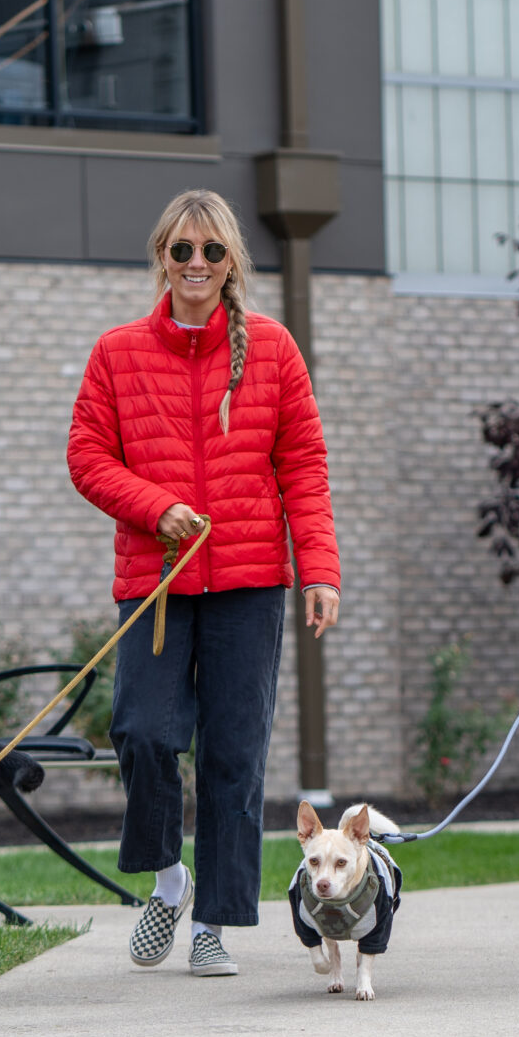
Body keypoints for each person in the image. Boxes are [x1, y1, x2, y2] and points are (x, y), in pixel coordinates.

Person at [67, 189, 341, 978]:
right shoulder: (118, 351)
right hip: (155, 583)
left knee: (233, 754)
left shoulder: (276, 351)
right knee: (144, 733)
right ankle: (168, 880)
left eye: (211, 252)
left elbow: (304, 467)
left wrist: (319, 568)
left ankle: (215, 924)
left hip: (251, 582)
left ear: (231, 264)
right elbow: (88, 458)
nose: (195, 264)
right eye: (181, 250)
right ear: (162, 257)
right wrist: (159, 510)